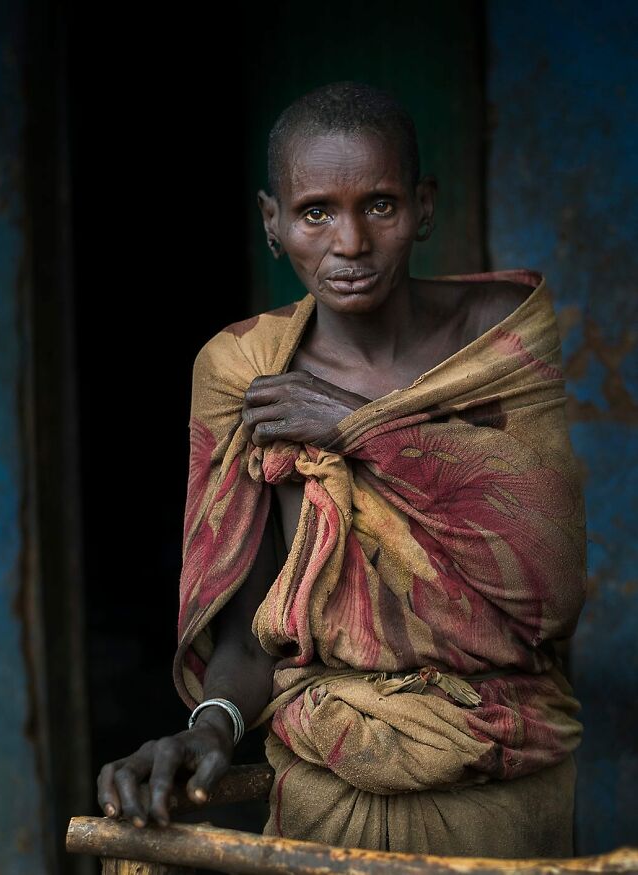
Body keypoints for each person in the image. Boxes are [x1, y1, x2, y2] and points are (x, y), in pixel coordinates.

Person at [97, 81, 587, 857]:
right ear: (272, 222)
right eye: (316, 211)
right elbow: (254, 629)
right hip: (326, 793)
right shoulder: (247, 373)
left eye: (381, 206)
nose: (350, 243)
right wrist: (212, 723)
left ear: (423, 207)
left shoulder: (498, 349)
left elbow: (548, 589)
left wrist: (356, 425)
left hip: (500, 787)